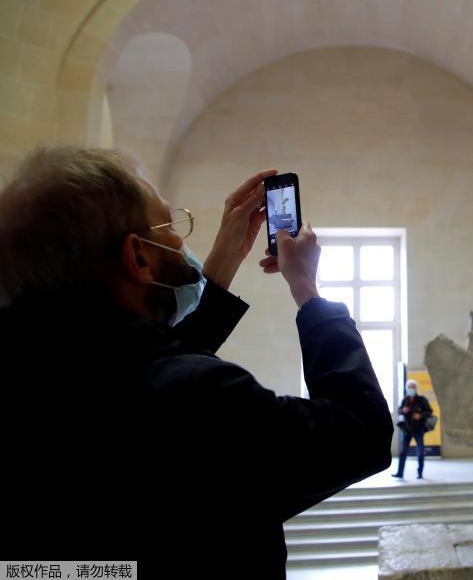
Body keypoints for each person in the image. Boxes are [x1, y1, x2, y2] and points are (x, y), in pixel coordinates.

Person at [0, 146, 393, 579]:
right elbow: (361, 434)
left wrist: (226, 255)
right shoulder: (199, 397)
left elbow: (140, 361)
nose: (180, 239)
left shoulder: (37, 368)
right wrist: (307, 289)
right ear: (138, 257)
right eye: (169, 224)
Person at [391, 379, 433, 480]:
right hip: (407, 429)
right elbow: (399, 410)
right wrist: (403, 410)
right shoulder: (405, 399)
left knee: (420, 450)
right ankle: (400, 473)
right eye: (409, 388)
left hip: (419, 429)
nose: (411, 390)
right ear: (406, 389)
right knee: (403, 451)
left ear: (416, 389)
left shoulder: (422, 399)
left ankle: (420, 473)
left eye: (412, 388)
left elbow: (429, 411)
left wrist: (420, 415)